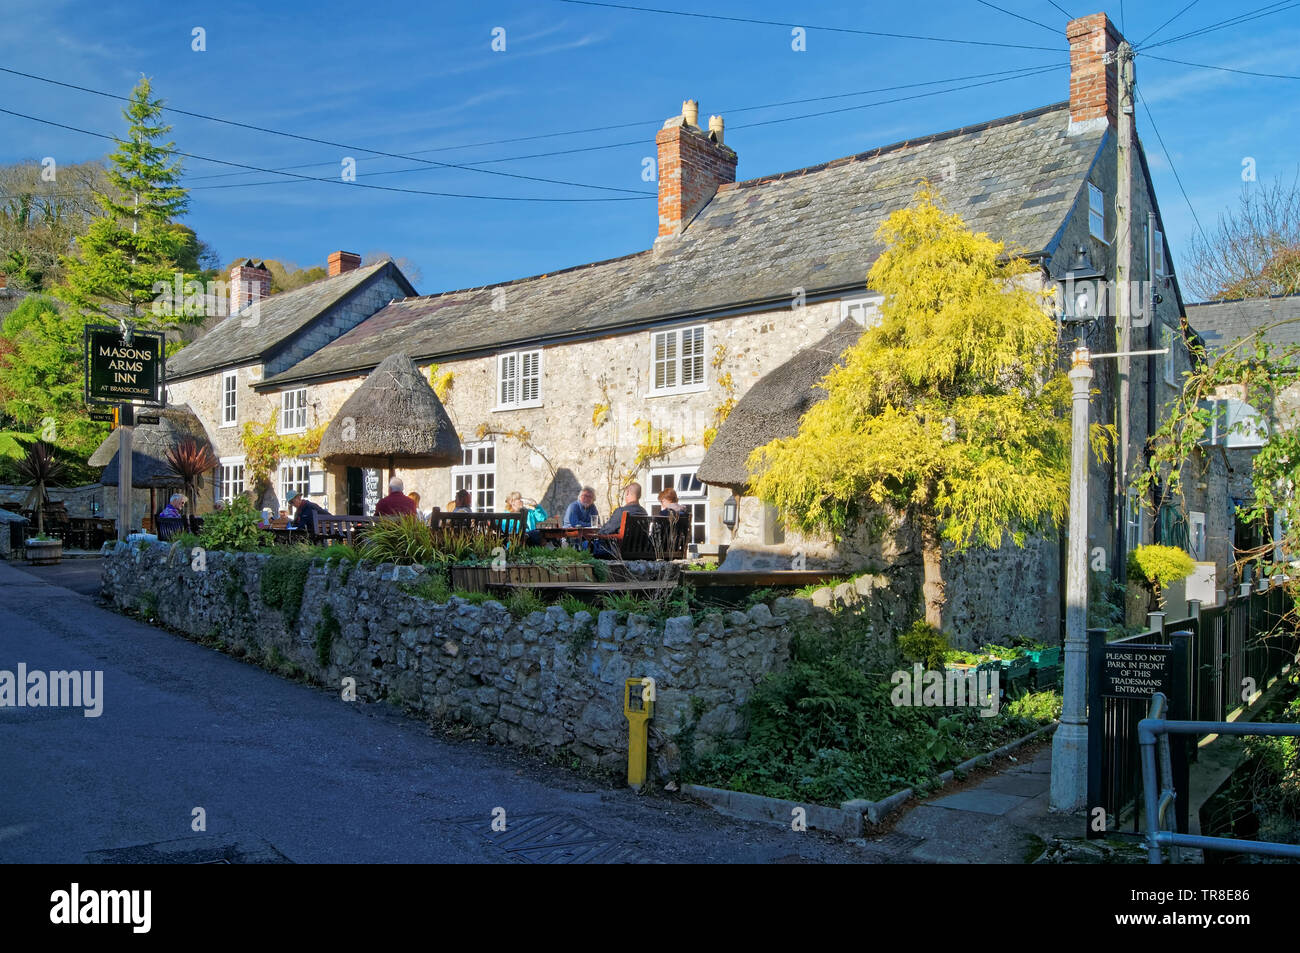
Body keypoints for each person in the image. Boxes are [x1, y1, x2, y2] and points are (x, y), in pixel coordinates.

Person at [594, 483, 648, 556]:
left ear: (628, 493)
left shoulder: (621, 512)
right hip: (638, 552)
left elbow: (605, 531)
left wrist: (596, 534)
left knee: (585, 544)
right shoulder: (644, 512)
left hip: (617, 552)